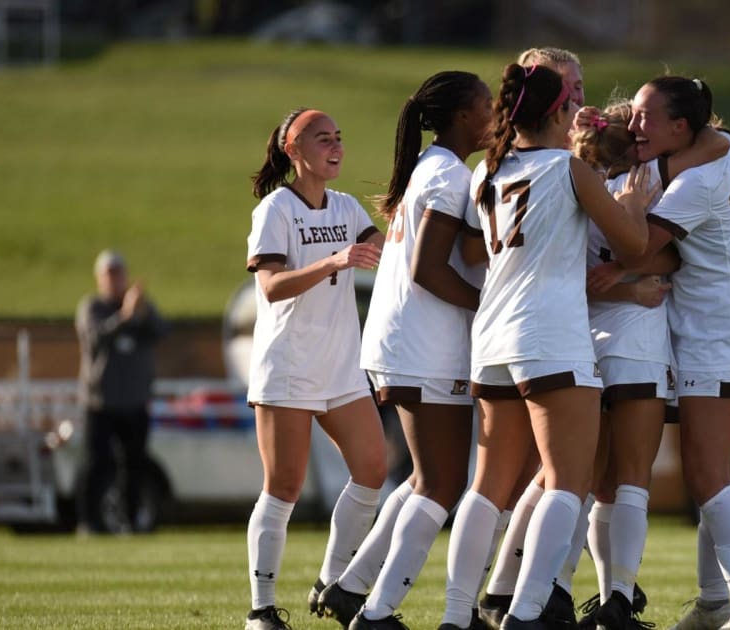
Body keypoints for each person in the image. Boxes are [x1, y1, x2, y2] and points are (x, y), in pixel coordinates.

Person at [440, 62, 653, 630]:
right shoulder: (568, 168)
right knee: (567, 482)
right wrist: (633, 203)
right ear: (559, 112)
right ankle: (526, 611)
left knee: (487, 487)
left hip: (492, 335)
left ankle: (455, 616)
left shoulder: (488, 170)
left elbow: (479, 250)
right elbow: (633, 245)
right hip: (550, 335)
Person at [594, 76, 730, 630]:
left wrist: (616, 254)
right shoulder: (718, 148)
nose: (633, 124)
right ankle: (716, 601)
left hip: (717, 334)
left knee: (707, 475)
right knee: (713, 473)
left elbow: (638, 244)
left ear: (681, 127)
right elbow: (722, 138)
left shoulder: (689, 184)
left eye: (645, 116)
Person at [311, 71, 494, 630]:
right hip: (423, 344)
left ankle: (350, 589)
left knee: (422, 480)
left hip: (403, 341)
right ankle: (376, 613)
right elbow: (427, 269)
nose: (495, 114)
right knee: (442, 485)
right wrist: (488, 305)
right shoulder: (447, 174)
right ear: (463, 116)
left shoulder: (429, 168)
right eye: (487, 105)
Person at [243, 107, 388, 630]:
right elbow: (270, 287)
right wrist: (334, 260)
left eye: (339, 137)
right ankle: (261, 610)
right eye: (322, 138)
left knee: (373, 470)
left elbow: (385, 249)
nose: (336, 146)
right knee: (284, 485)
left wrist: (406, 222)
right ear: (294, 150)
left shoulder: (346, 206)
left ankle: (330, 583)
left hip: (341, 366)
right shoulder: (276, 209)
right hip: (289, 366)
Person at [75, 249, 167, 534]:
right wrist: (125, 316)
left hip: (135, 403)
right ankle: (89, 522)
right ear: (99, 278)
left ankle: (130, 521)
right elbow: (96, 338)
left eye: (118, 274)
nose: (114, 280)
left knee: (134, 465)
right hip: (100, 403)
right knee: (97, 464)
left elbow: (162, 332)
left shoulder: (140, 307)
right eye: (109, 275)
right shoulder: (93, 308)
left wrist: (142, 312)